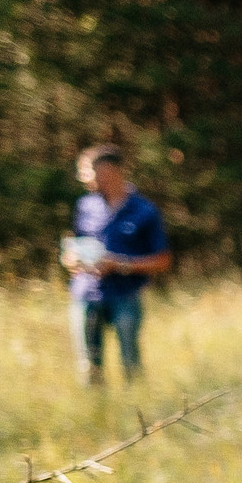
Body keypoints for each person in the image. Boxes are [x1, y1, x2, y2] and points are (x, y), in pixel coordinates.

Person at [63, 144, 169, 383]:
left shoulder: (144, 210)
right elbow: (74, 243)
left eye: (87, 172)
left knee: (130, 363)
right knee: (89, 368)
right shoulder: (85, 206)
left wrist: (121, 264)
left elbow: (163, 260)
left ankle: (137, 414)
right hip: (86, 295)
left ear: (109, 171)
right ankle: (96, 415)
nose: (82, 178)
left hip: (126, 297)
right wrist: (71, 258)